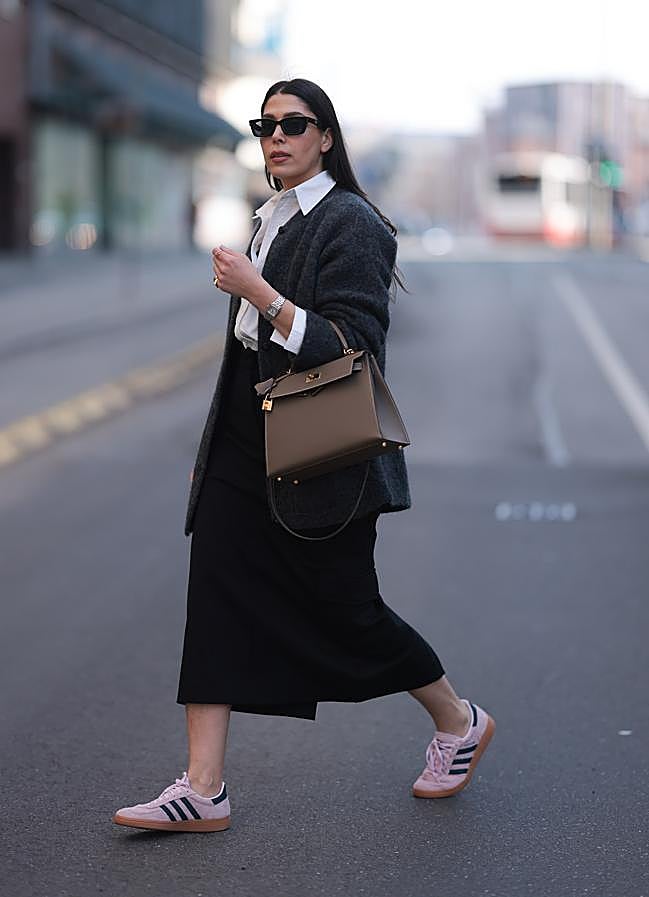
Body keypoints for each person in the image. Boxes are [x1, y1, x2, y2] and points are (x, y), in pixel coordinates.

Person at [112, 78, 495, 834]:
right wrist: (212, 447)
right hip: (243, 442)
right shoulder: (269, 217)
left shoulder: (352, 222)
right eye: (265, 125)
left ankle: (457, 719)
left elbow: (354, 348)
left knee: (347, 612)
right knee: (215, 596)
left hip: (323, 452)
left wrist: (262, 293)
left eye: (294, 123)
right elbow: (242, 357)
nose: (276, 136)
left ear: (325, 137)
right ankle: (204, 786)